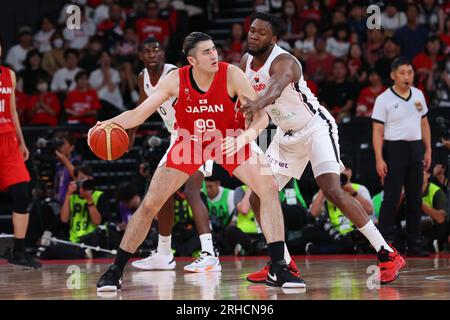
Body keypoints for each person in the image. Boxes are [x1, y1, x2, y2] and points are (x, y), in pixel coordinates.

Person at [94, 31, 304, 291]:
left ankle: (279, 268)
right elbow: (138, 115)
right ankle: (115, 270)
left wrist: (244, 139)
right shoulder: (176, 80)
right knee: (150, 203)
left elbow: (261, 118)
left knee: (269, 188)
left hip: (230, 138)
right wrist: (110, 123)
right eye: (206, 52)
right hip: (189, 142)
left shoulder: (231, 74)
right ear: (192, 61)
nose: (214, 54)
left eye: (214, 49)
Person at [241, 13, 404, 285]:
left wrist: (257, 104)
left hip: (315, 127)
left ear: (274, 38)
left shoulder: (285, 62)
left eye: (261, 32)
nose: (253, 35)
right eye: (252, 30)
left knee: (331, 189)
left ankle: (387, 254)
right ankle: (282, 263)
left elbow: (275, 88)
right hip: (284, 134)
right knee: (259, 196)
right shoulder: (246, 61)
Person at [125, 37, 219, 273]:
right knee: (162, 192)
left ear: (163, 54)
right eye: (147, 51)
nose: (153, 54)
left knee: (191, 190)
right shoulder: (142, 78)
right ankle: (164, 254)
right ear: (141, 56)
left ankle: (209, 253)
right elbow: (141, 105)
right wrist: (131, 133)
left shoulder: (174, 73)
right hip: (178, 136)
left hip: (200, 131)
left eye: (157, 49)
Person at [372, 56, 432, 257]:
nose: (407, 77)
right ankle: (384, 243)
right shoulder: (383, 99)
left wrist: (429, 149)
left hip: (415, 148)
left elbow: (424, 123)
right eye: (402, 73)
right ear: (393, 75)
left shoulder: (418, 95)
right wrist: (379, 158)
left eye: (410, 73)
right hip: (395, 150)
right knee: (391, 198)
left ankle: (414, 242)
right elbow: (377, 131)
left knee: (415, 199)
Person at [0, 40, 41, 269]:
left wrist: (21, 142)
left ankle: (19, 250)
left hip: (9, 141)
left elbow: (13, 110)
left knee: (22, 195)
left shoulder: (10, 75)